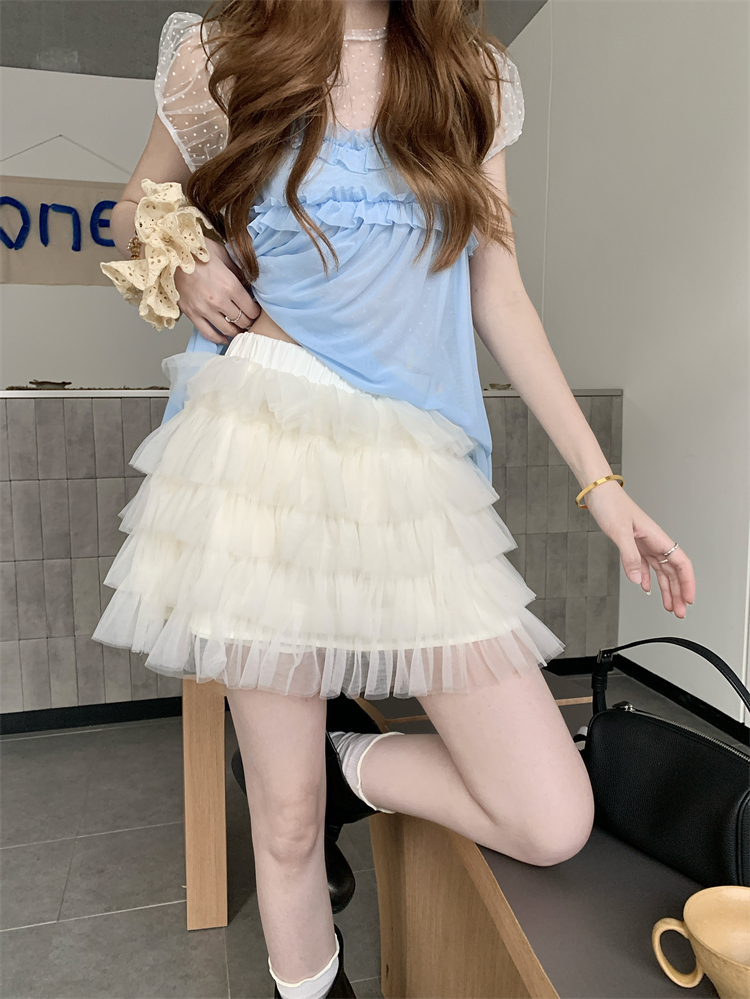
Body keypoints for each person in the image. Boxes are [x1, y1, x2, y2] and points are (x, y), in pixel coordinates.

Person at [92, 2, 696, 996]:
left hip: (413, 472)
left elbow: (498, 288)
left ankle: (348, 766)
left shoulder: (470, 73)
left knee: (550, 815)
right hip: (265, 443)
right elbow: (133, 204)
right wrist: (187, 258)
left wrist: (605, 489)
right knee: (286, 825)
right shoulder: (223, 51)